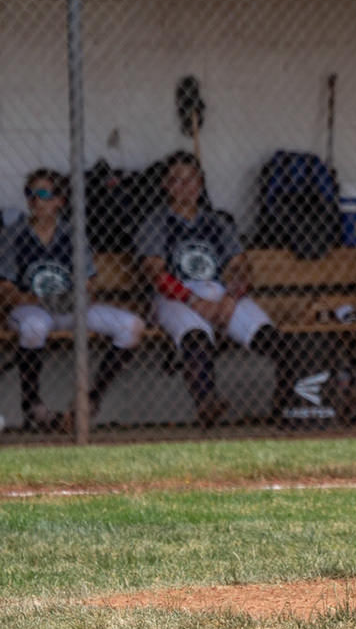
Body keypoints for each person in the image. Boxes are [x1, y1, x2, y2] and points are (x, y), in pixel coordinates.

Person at [133, 151, 276, 428]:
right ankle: (207, 402)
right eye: (177, 180)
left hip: (220, 293)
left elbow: (241, 266)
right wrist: (194, 301)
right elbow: (155, 273)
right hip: (174, 296)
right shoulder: (156, 222)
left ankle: (286, 404)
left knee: (271, 338)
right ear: (165, 185)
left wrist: (231, 298)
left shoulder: (217, 222)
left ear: (200, 183)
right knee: (195, 337)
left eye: (191, 179)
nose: (185, 186)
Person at [0, 169, 146, 431]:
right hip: (30, 309)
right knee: (34, 326)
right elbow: (6, 289)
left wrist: (73, 298)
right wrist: (38, 300)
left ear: (60, 200)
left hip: (70, 309)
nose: (35, 200)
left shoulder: (73, 234)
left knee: (132, 325)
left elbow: (88, 285)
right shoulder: (13, 234)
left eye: (43, 193)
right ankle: (33, 406)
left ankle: (89, 402)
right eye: (30, 194)